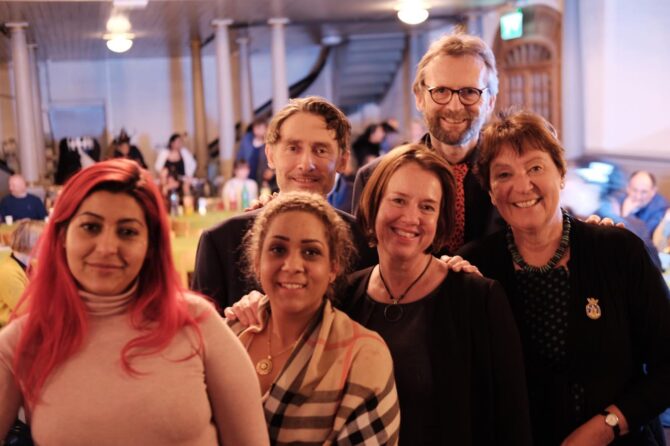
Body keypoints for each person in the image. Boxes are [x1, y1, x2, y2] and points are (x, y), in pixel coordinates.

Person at [0, 159, 268, 445]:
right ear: (62, 235)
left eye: (127, 231)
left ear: (150, 246)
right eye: (90, 227)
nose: (106, 248)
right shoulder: (23, 341)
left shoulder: (197, 324)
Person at [459, 110, 670, 445]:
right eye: (503, 174)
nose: (521, 185)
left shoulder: (618, 251)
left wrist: (606, 426)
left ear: (561, 174)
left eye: (535, 167)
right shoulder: (476, 266)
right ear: (490, 193)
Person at [230, 191, 400, 444]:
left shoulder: (363, 354)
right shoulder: (229, 335)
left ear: (333, 267)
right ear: (257, 262)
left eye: (310, 252)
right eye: (278, 249)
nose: (292, 265)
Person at [191, 96, 377, 310]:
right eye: (293, 148)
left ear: (343, 160)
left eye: (321, 150)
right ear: (270, 155)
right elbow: (201, 339)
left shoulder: (366, 245)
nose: (306, 164)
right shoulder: (222, 242)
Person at [352, 32, 502, 254]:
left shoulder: (512, 177)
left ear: (490, 102)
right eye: (441, 91)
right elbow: (364, 269)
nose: (454, 106)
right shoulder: (375, 178)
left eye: (469, 92)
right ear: (419, 97)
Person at [0, 220, 45, 327]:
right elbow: (26, 310)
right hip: (10, 328)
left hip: (26, 323)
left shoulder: (33, 264)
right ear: (29, 243)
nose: (47, 246)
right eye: (43, 241)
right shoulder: (7, 272)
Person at [614, 171, 668, 239]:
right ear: (628, 188)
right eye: (634, 190)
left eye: (644, 192)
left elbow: (643, 237)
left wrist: (627, 215)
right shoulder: (617, 200)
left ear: (653, 191)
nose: (638, 196)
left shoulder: (661, 208)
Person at [155, 133, 197, 198]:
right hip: (168, 179)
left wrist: (188, 176)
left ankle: (188, 205)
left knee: (186, 185)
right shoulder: (164, 154)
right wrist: (167, 177)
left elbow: (192, 165)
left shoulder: (184, 153)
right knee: (165, 186)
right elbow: (158, 167)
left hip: (181, 178)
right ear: (172, 143)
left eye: (180, 142)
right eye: (178, 142)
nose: (180, 144)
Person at [236, 118, 269, 183]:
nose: (259, 131)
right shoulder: (247, 139)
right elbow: (240, 156)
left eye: (262, 128)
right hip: (246, 175)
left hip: (262, 177)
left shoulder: (269, 143)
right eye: (257, 128)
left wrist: (271, 171)